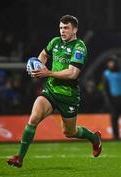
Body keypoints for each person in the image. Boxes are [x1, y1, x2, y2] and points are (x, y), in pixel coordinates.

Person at [7, 14, 102, 168]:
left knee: (69, 132)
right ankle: (19, 158)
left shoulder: (79, 47)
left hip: (69, 95)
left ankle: (94, 138)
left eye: (66, 28)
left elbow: (73, 73)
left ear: (75, 30)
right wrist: (37, 67)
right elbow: (44, 54)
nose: (62, 31)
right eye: (60, 28)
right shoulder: (55, 42)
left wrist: (48, 72)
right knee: (34, 118)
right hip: (51, 90)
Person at [102, 55, 121, 140]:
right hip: (113, 99)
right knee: (114, 117)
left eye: (112, 62)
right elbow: (105, 88)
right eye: (109, 62)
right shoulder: (106, 74)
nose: (110, 64)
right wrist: (108, 100)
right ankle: (116, 136)